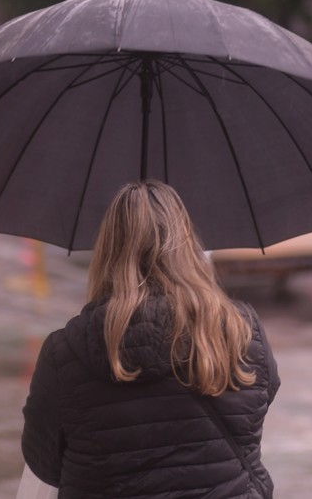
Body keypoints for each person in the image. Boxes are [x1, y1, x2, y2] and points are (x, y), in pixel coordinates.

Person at [22, 180, 280, 498]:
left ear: (107, 250)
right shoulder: (241, 330)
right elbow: (258, 408)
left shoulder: (64, 353)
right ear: (188, 244)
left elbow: (44, 463)